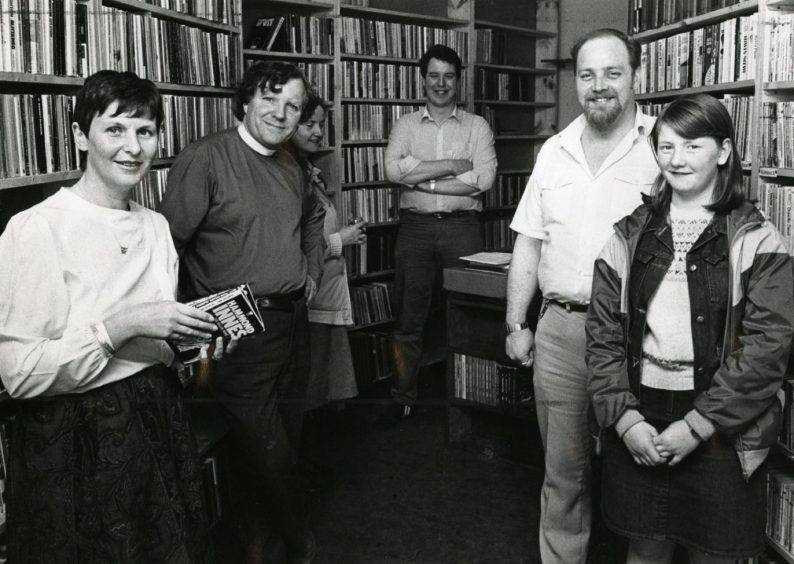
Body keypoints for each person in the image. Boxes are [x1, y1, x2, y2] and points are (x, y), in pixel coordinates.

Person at [0, 70, 217, 563]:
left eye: (146, 131)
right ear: (81, 136)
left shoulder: (158, 227)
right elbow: (19, 376)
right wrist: (124, 325)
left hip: (157, 417)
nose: (133, 147)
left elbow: (162, 348)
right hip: (76, 436)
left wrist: (197, 344)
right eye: (115, 129)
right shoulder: (35, 229)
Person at [586, 93, 794, 564]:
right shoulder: (627, 234)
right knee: (644, 549)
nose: (676, 159)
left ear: (723, 151)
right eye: (666, 147)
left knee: (714, 555)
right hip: (640, 411)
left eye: (692, 145)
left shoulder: (759, 239)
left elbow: (768, 348)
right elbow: (601, 337)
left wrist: (698, 426)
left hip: (721, 421)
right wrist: (624, 419)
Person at [159, 61, 324, 563]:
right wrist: (190, 325)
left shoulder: (294, 164)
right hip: (238, 328)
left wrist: (310, 268)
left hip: (294, 322)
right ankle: (301, 544)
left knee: (281, 442)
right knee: (266, 447)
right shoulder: (206, 158)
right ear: (247, 99)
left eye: (293, 105)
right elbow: (169, 246)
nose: (281, 113)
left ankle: (257, 548)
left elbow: (313, 217)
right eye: (270, 98)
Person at [505, 29, 659, 563]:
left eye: (612, 73)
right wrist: (515, 324)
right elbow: (528, 241)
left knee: (641, 472)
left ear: (636, 76)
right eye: (587, 75)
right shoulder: (554, 150)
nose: (599, 86)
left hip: (639, 338)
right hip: (562, 332)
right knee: (564, 474)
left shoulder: (666, 146)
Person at [385, 43, 497, 419]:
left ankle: (468, 399)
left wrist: (422, 180)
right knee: (408, 316)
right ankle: (403, 397)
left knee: (468, 313)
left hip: (462, 229)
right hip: (414, 230)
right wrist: (451, 164)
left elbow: (482, 179)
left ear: (458, 81)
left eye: (449, 76)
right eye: (434, 75)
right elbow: (392, 172)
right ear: (423, 79)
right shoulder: (404, 125)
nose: (441, 83)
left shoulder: (477, 126)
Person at [286, 93, 364, 489]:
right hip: (311, 301)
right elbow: (296, 246)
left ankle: (308, 468)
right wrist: (341, 240)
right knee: (307, 392)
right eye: (309, 124)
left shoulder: (309, 170)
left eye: (321, 124)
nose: (318, 131)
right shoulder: (288, 175)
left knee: (316, 391)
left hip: (326, 297)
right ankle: (300, 474)